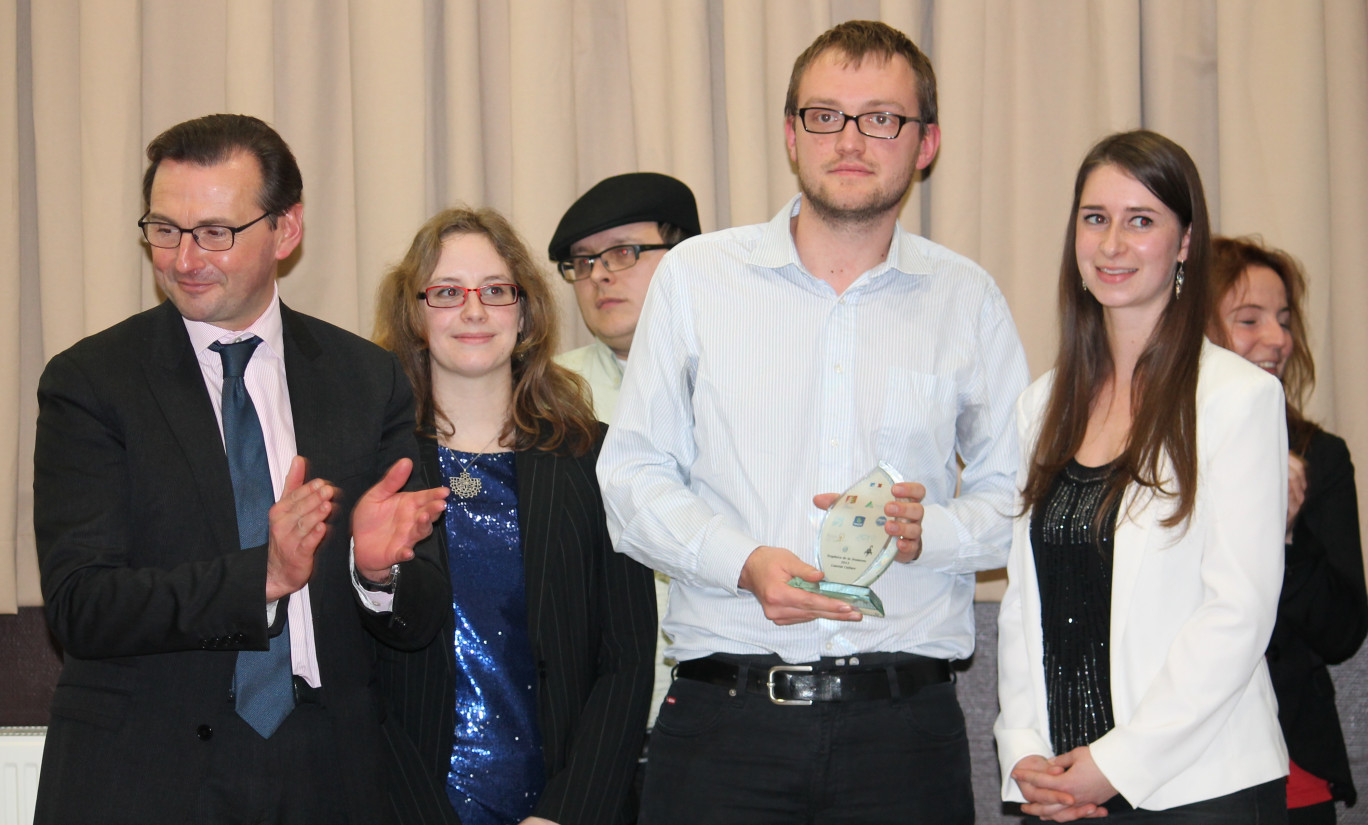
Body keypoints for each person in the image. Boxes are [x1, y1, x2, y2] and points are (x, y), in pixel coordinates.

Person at [597, 20, 1029, 824]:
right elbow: (631, 477)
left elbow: (1017, 496)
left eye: (883, 118)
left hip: (905, 732)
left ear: (925, 142)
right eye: (826, 115)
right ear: (791, 134)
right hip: (726, 724)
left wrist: (928, 532)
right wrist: (744, 561)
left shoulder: (967, 299)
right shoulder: (698, 278)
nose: (853, 139)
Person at [32, 113, 450, 825]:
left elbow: (421, 614)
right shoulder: (92, 381)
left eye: (215, 232)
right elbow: (81, 606)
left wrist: (377, 572)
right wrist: (263, 576)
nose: (185, 258)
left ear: (285, 231)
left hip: (331, 767)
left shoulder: (365, 378)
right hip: (146, 771)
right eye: (164, 229)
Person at [995, 130, 1291, 822]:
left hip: (1202, 787)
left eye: (1142, 221)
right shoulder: (1041, 404)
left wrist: (1115, 763)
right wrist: (1026, 755)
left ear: (1185, 242)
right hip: (1065, 789)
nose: (1112, 244)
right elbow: (1022, 602)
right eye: (1096, 218)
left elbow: (1238, 614)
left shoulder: (1237, 397)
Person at [373, 206, 656, 825]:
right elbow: (351, 669)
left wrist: (567, 812)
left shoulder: (593, 459)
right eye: (446, 292)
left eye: (496, 291)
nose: (473, 311)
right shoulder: (373, 468)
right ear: (415, 316)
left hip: (562, 805)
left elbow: (628, 661)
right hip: (405, 803)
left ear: (525, 312)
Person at [1208, 235, 1367, 824]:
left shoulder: (1318, 456)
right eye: (1248, 320)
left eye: (1282, 319)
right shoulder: (1146, 453)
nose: (1277, 339)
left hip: (1289, 768)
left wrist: (1287, 536)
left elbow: (1343, 633)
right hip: (1163, 767)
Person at [548, 171, 701, 422]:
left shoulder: (742, 369)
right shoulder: (547, 396)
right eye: (583, 261)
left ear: (684, 257)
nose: (597, 275)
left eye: (623, 252)